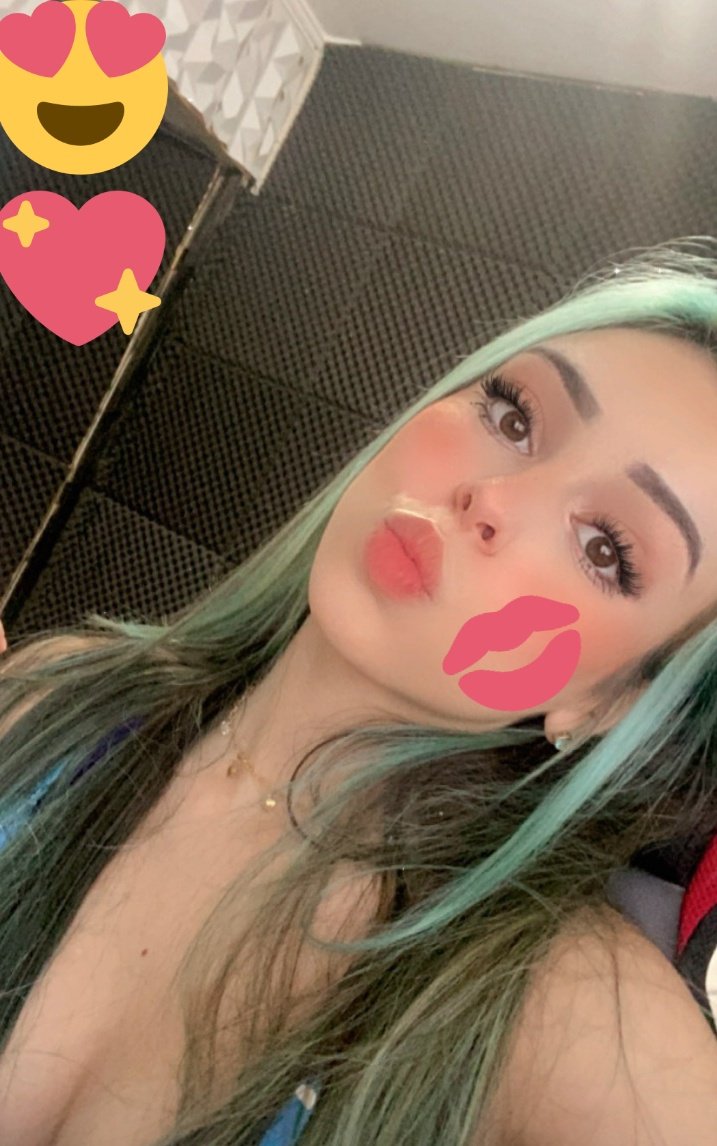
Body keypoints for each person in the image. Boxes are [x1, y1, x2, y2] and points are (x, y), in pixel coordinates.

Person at [1, 239, 717, 1146]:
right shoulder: (47, 697)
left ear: (611, 702)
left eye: (605, 547)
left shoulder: (557, 1010)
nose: (491, 497)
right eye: (512, 415)